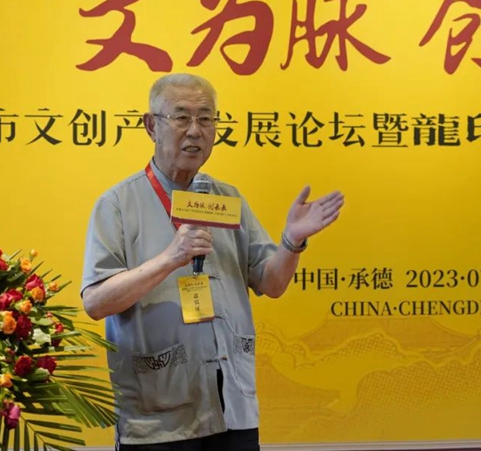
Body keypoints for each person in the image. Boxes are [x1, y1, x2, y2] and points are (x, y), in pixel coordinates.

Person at [80, 73, 344, 450]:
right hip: (159, 418)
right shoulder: (118, 204)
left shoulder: (227, 199)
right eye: (181, 117)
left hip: (232, 406)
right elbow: (96, 302)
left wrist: (292, 240)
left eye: (206, 118)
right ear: (151, 126)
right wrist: (170, 258)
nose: (195, 130)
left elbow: (272, 283)